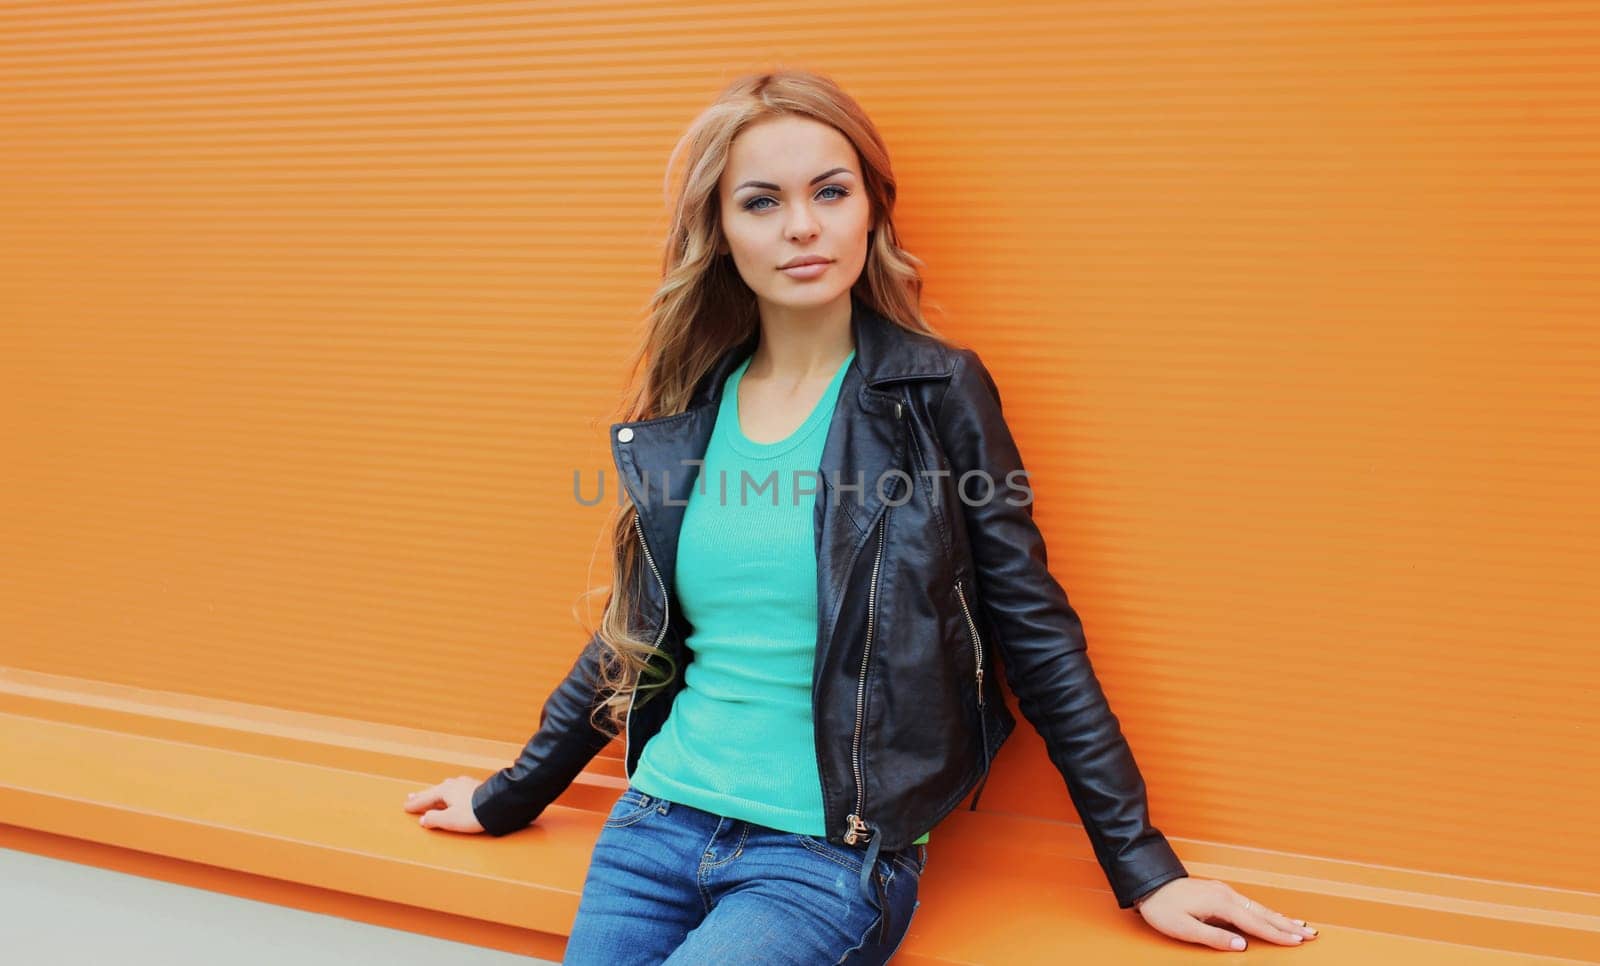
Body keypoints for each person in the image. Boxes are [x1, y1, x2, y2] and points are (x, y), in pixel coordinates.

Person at [403, 69, 1319, 963]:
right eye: (761, 202)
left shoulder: (935, 391)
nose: (803, 225)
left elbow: (1033, 629)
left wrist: (1145, 868)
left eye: (830, 192)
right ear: (720, 232)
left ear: (870, 209)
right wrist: (509, 796)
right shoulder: (692, 408)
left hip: (826, 859)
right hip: (654, 825)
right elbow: (633, 638)